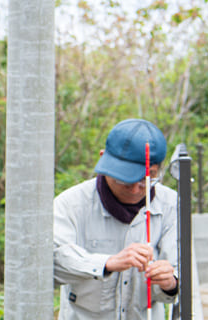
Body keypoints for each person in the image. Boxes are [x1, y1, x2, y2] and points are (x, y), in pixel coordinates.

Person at [54, 118, 179, 319]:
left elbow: (180, 278)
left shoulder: (172, 205)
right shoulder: (70, 204)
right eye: (125, 178)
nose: (136, 188)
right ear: (104, 159)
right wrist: (108, 263)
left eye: (147, 178)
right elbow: (53, 264)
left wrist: (170, 282)